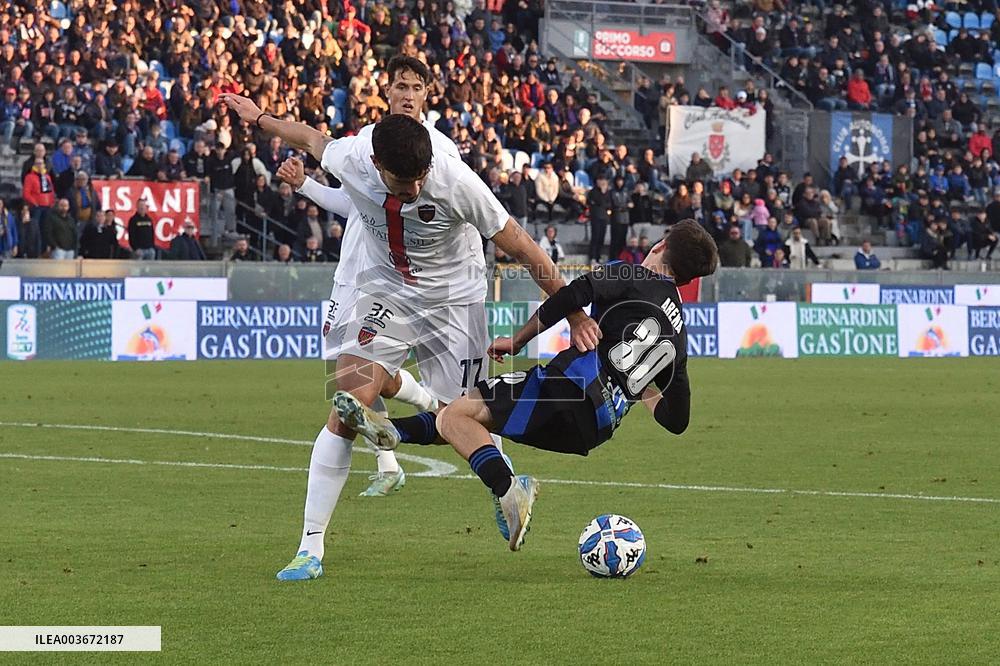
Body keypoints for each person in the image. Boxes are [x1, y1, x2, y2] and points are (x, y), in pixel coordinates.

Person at [220, 74, 596, 582]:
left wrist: (573, 312)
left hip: (455, 302)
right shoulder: (354, 155)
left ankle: (505, 483)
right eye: (404, 183)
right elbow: (309, 138)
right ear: (377, 165)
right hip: (387, 293)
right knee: (347, 401)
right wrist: (260, 118)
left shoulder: (455, 179)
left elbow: (525, 249)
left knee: (461, 419)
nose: (415, 190)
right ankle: (310, 547)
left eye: (421, 179)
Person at [333, 221, 719, 550]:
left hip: (568, 389)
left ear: (660, 245)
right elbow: (677, 420)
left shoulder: (629, 274)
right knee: (467, 420)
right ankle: (393, 431)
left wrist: (518, 341)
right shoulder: (679, 337)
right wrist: (638, 386)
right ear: (687, 279)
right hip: (596, 429)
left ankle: (507, 488)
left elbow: (569, 296)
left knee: (456, 417)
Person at [586, 176, 612, 264]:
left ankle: (598, 256)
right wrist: (602, 193)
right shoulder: (593, 192)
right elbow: (598, 202)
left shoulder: (608, 192)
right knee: (595, 237)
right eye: (601, 180)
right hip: (595, 216)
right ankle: (593, 257)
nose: (603, 183)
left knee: (602, 237)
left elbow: (608, 204)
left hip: (604, 217)